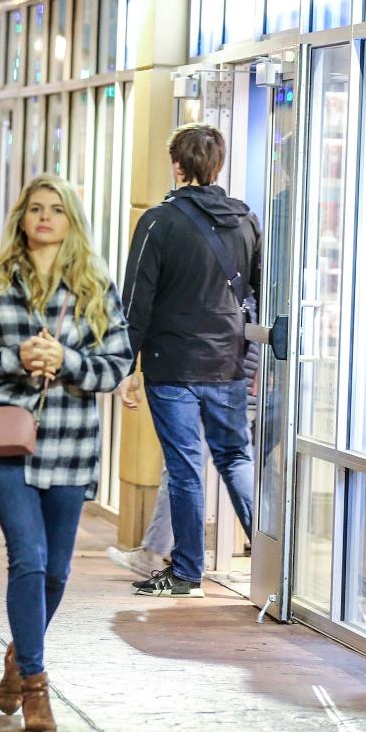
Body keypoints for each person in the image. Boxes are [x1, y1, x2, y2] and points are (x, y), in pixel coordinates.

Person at [0, 174, 132, 732]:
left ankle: (16, 656)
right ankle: (34, 682)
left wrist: (68, 362)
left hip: (71, 444)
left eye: (56, 209)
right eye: (35, 208)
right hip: (5, 440)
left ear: (71, 219)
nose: (45, 217)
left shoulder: (96, 286)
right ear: (21, 217)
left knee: (56, 570)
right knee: (27, 557)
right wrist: (16, 357)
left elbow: (117, 364)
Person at [118, 123, 261, 599]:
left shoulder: (159, 221)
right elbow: (257, 296)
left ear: (177, 165)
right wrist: (252, 361)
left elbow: (137, 301)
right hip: (228, 364)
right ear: (216, 165)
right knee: (235, 457)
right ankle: (272, 561)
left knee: (185, 469)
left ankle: (186, 574)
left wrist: (125, 369)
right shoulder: (246, 220)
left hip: (171, 363)